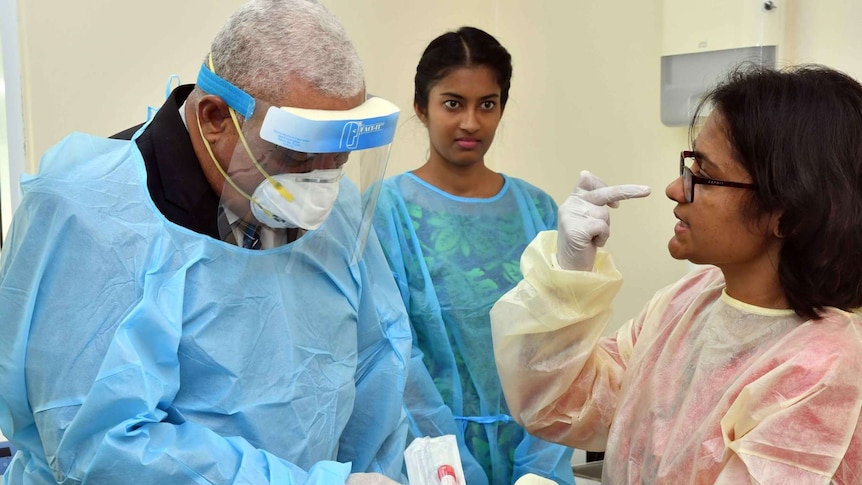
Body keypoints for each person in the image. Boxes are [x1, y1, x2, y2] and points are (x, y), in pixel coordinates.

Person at [0, 1, 412, 483]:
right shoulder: (94, 215)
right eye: (298, 157)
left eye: (337, 161)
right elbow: (97, 445)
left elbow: (377, 370)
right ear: (216, 117)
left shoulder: (333, 209)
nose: (319, 186)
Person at [491, 63, 862, 483]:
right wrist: (567, 276)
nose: (674, 189)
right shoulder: (689, 300)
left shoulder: (824, 368)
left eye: (704, 176)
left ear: (788, 215)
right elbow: (561, 406)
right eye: (689, 166)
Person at [372, 26, 575, 485]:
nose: (471, 122)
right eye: (452, 103)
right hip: (423, 454)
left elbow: (560, 346)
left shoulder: (537, 209)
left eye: (487, 104)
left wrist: (541, 463)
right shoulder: (387, 211)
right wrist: (448, 463)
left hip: (534, 446)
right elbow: (393, 352)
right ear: (421, 107)